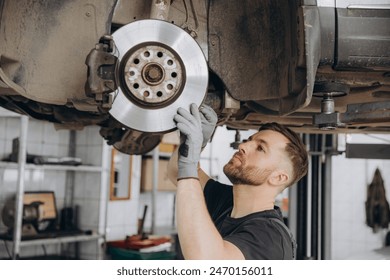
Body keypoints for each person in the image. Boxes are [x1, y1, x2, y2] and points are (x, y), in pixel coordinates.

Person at [168, 103, 308, 260]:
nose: (243, 146)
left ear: (278, 177)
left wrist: (189, 162)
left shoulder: (270, 238)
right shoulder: (228, 202)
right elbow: (176, 171)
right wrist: (194, 145)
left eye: (260, 148)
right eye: (249, 140)